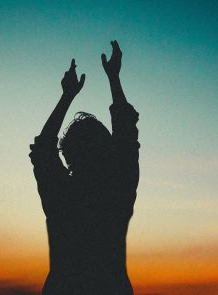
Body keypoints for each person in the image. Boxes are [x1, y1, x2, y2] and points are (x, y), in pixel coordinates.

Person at [29, 40, 139, 295]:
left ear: (68, 154)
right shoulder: (118, 190)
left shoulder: (61, 194)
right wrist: (114, 78)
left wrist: (67, 96)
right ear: (107, 150)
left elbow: (43, 150)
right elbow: (126, 135)